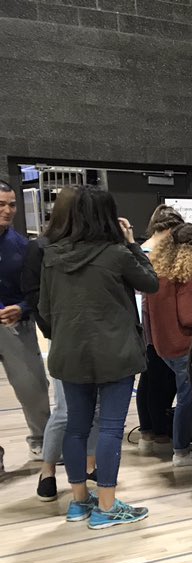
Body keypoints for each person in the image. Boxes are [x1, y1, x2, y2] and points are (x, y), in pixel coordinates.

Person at [39, 186, 159, 528]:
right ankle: (107, 506)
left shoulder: (52, 255)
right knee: (109, 428)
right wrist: (132, 243)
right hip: (116, 353)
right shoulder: (117, 254)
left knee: (76, 427)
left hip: (69, 353)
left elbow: (45, 309)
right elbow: (150, 283)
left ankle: (79, 502)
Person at [22, 186, 99, 501]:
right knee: (66, 410)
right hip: (63, 339)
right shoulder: (40, 248)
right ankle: (48, 470)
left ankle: (90, 465)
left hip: (93, 338)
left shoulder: (91, 246)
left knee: (94, 409)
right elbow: (33, 294)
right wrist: (54, 329)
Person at [0, 178, 51, 470]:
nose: (8, 210)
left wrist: (22, 308)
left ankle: (42, 440)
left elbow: (37, 289)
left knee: (32, 385)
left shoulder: (23, 246)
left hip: (16, 325)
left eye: (12, 205)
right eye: (1, 204)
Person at [145, 222, 192, 467]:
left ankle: (184, 444)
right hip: (182, 346)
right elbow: (187, 318)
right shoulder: (185, 275)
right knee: (186, 399)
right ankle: (181, 451)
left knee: (183, 396)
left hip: (162, 345)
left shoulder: (158, 270)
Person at [136, 205, 183, 455]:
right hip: (152, 322)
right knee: (155, 378)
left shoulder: (154, 251)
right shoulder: (148, 253)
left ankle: (151, 430)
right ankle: (155, 431)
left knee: (153, 378)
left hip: (155, 320)